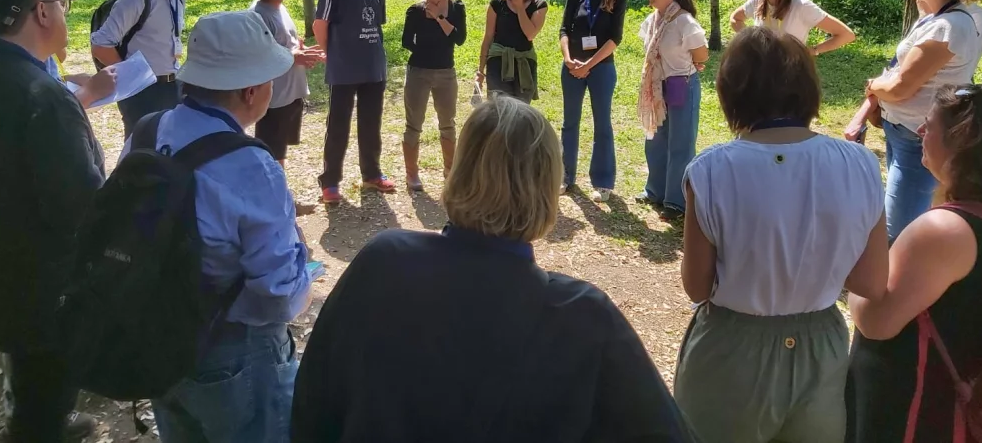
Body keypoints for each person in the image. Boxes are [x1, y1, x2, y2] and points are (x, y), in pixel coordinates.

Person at [290, 97, 699, 443]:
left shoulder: (383, 261)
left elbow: (312, 404)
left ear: (459, 172)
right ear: (546, 189)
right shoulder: (584, 317)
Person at [675, 27, 889, 443]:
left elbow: (697, 286)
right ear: (808, 89)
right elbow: (870, 282)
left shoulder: (711, 170)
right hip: (821, 347)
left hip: (731, 350)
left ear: (731, 92)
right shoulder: (861, 165)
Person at [130, 11, 314, 443]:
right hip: (232, 352)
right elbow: (276, 294)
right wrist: (303, 271)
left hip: (159, 338)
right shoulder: (251, 165)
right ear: (252, 90)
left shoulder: (148, 131)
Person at [0, 0, 105, 442]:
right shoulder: (43, 97)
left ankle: (42, 422)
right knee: (42, 396)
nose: (65, 11)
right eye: (62, 2)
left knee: (27, 376)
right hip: (42, 289)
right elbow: (81, 208)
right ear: (42, 13)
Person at [845, 84, 982, 443]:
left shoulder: (944, 231)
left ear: (962, 143)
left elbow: (873, 320)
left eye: (929, 125)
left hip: (922, 412)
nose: (920, 131)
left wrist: (862, 232)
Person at [865, 0, 982, 239]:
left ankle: (897, 281)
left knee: (896, 231)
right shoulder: (935, 17)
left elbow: (900, 88)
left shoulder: (947, 27)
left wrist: (873, 86)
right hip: (904, 131)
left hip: (918, 140)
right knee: (904, 217)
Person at [313, 0, 395, 204]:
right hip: (344, 67)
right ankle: (330, 182)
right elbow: (320, 23)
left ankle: (371, 174)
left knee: (372, 124)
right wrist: (331, 54)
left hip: (373, 65)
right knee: (338, 125)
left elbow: (375, 25)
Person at [91, 0, 188, 136]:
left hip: (173, 86)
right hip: (143, 91)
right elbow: (100, 44)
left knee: (170, 145)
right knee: (140, 150)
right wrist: (130, 79)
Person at [637, 0, 708, 221]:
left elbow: (701, 55)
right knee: (656, 138)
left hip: (680, 85)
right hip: (656, 86)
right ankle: (654, 191)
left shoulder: (684, 21)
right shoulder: (652, 20)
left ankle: (676, 202)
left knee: (680, 143)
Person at [558, 0, 627, 202]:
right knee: (570, 123)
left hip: (601, 68)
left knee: (602, 123)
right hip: (572, 66)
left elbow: (614, 39)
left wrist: (589, 65)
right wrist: (568, 59)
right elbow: (564, 29)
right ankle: (565, 177)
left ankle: (603, 182)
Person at [250, 0, 325, 166]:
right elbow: (260, 56)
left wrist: (302, 51)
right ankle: (274, 195)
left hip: (290, 94)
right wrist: (295, 56)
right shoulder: (258, 16)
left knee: (279, 151)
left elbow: (284, 46)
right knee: (270, 154)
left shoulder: (279, 8)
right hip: (273, 99)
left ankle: (279, 191)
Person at [400, 0, 466, 191]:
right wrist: (431, 43)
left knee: (448, 124)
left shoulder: (456, 7)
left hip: (446, 73)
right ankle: (412, 175)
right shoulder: (415, 10)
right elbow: (407, 42)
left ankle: (450, 172)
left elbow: (459, 39)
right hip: (418, 72)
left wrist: (439, 18)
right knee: (413, 125)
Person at [475, 0, 548, 103]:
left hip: (524, 62)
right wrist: (480, 71)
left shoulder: (539, 4)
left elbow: (530, 34)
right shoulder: (497, 3)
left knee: (521, 112)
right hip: (498, 61)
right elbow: (488, 36)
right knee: (498, 109)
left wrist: (519, 6)